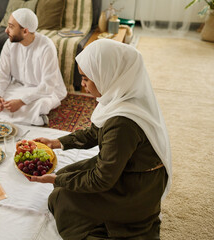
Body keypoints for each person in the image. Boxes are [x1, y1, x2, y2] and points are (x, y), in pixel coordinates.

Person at [29, 39, 172, 239]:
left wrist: (57, 179)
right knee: (66, 177)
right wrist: (58, 143)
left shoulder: (122, 122)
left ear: (106, 74)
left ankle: (114, 224)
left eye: (86, 78)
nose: (82, 84)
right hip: (126, 168)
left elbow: (101, 180)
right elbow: (95, 133)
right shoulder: (119, 96)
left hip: (136, 189)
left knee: (61, 197)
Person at [0, 8, 67, 126]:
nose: (6, 30)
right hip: (18, 87)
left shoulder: (47, 47)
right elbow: (1, 73)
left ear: (25, 31)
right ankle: (33, 118)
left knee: (43, 104)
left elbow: (47, 86)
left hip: (43, 91)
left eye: (11, 27)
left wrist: (21, 102)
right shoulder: (9, 43)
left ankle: (15, 116)